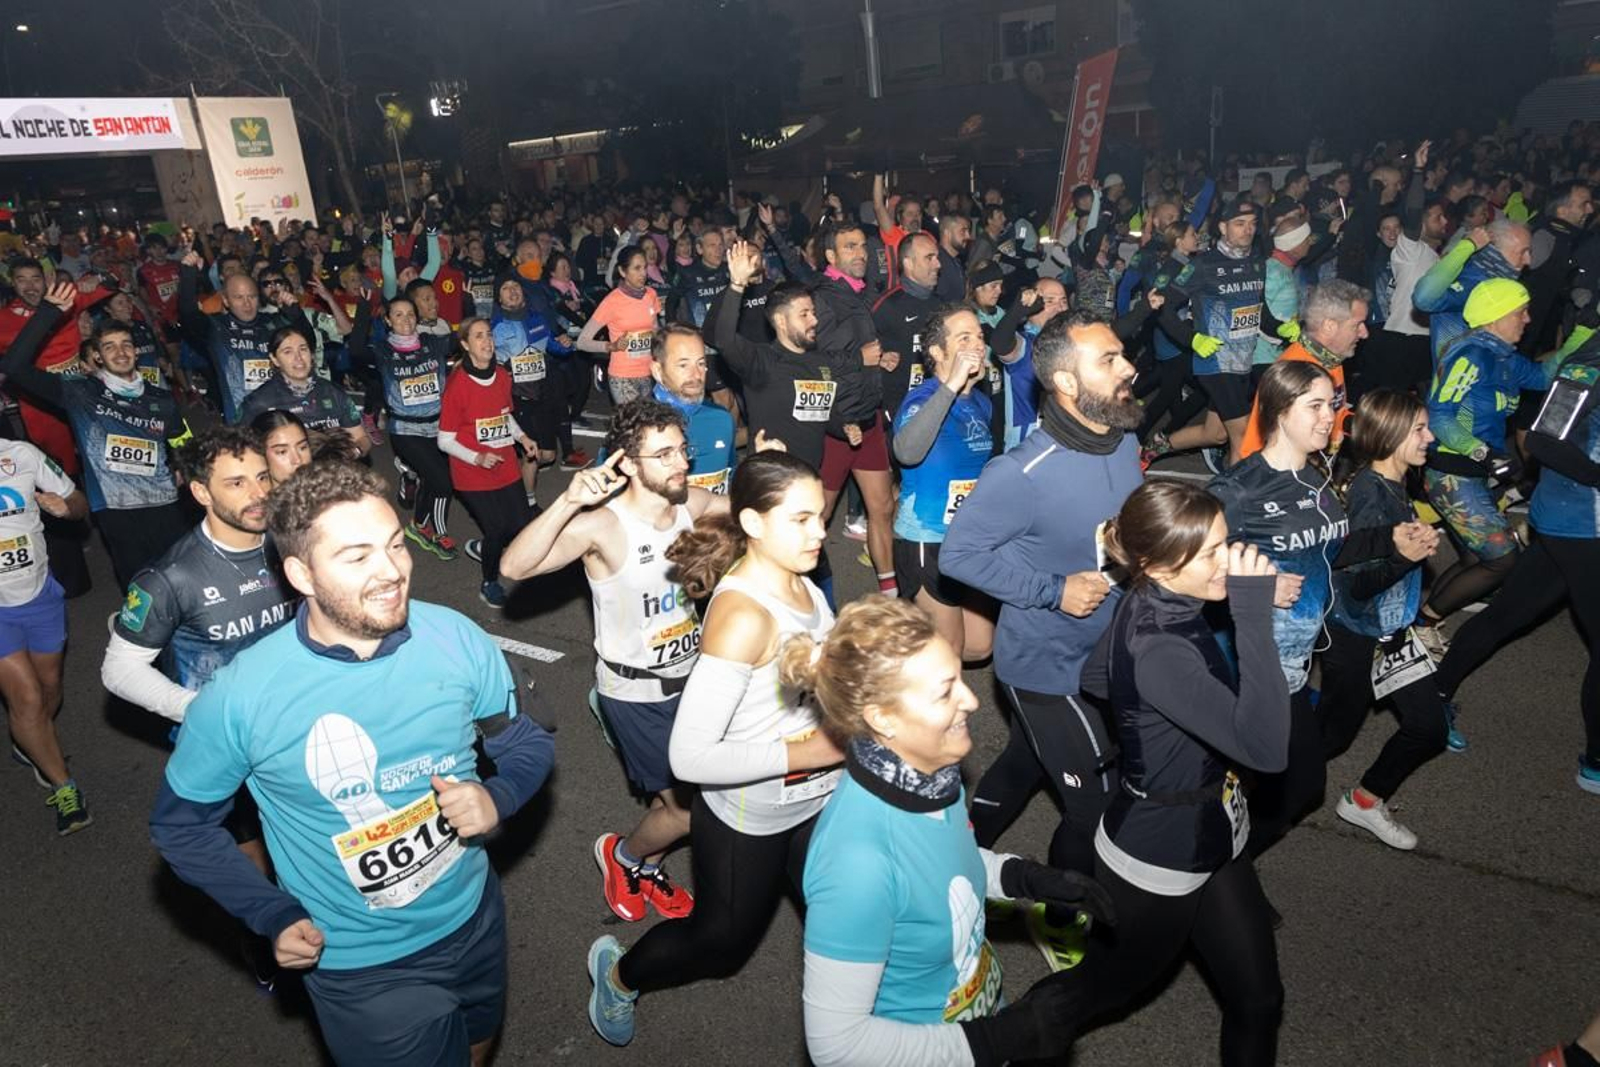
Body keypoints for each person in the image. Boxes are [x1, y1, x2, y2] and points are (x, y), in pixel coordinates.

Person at [150, 461, 555, 1067]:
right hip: (362, 966)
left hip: (474, 918)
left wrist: (501, 797)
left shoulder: (455, 637)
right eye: (357, 556)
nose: (392, 571)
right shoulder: (242, 697)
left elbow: (526, 740)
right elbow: (180, 827)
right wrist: (270, 912)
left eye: (394, 545)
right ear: (300, 574)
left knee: (475, 1041)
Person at [585, 451, 842, 1047]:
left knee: (839, 909)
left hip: (819, 799)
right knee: (721, 940)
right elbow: (691, 759)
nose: (820, 532)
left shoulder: (800, 582)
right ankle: (618, 976)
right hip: (752, 811)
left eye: (821, 517)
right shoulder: (744, 616)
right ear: (753, 523)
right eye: (801, 519)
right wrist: (809, 753)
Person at [794, 596, 1116, 1067]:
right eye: (945, 692)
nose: (972, 700)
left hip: (970, 1015)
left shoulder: (928, 775)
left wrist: (1023, 879)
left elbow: (943, 867)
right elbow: (837, 1045)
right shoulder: (854, 864)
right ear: (882, 718)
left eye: (959, 680)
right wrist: (999, 1040)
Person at [941, 309, 1143, 970]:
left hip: (1104, 652)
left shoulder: (1120, 441)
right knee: (1094, 803)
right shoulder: (1021, 472)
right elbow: (958, 556)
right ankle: (1061, 917)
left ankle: (952, 854)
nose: (1128, 369)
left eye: (1122, 355)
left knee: (1025, 763)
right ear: (1062, 381)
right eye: (1108, 361)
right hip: (1044, 667)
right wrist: (1052, 589)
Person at [1065, 479, 1289, 1067]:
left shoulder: (1148, 597)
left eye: (1225, 543)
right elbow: (1266, 750)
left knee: (1260, 1001)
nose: (1229, 561)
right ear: (1158, 565)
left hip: (1212, 829)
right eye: (1212, 553)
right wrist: (1252, 615)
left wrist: (1150, 729)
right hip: (1156, 854)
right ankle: (998, 1042)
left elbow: (1095, 678)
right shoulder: (1162, 645)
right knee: (1099, 992)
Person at [501, 400, 731, 928]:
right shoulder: (603, 527)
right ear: (627, 463)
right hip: (638, 696)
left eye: (682, 450)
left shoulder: (693, 504)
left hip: (695, 681)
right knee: (689, 810)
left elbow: (744, 507)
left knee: (683, 800)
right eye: (663, 454)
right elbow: (514, 566)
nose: (681, 464)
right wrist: (565, 503)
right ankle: (624, 856)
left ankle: (646, 867)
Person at [1433, 328, 1600, 794]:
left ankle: (1433, 696)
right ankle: (1596, 762)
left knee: (1508, 615)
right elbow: (1545, 443)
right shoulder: (1591, 363)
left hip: (1571, 522)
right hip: (1580, 524)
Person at [1209, 360, 1343, 858]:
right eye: (1314, 406)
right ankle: (1222, 871)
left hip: (1300, 663)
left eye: (1332, 404)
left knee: (1283, 785)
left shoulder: (1318, 475)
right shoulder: (1238, 489)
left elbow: (1327, 554)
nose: (1328, 417)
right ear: (1279, 412)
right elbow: (1181, 569)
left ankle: (1225, 873)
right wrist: (1256, 588)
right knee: (1300, 785)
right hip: (1252, 667)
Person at [1310, 389, 1450, 849]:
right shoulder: (1371, 494)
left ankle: (1365, 801)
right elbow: (1356, 587)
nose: (1431, 437)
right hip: (1355, 636)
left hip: (1387, 631)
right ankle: (1251, 788)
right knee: (1330, 739)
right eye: (1420, 430)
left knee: (1428, 727)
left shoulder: (1396, 480)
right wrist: (1404, 558)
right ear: (1390, 436)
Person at [0, 277, 192, 588]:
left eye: (126, 344)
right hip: (117, 510)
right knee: (143, 588)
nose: (120, 352)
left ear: (135, 351)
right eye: (109, 347)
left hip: (166, 505)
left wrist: (184, 467)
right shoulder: (80, 393)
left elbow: (184, 442)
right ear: (98, 356)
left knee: (184, 582)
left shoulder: (159, 397)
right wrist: (48, 314)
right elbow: (15, 365)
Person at [1420, 279, 1558, 633]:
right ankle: (1424, 624)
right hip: (1451, 471)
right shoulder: (1472, 355)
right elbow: (1439, 415)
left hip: (1473, 471)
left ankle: (1421, 622)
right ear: (1497, 316)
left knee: (1473, 558)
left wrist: (1586, 338)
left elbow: (1544, 377)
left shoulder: (1503, 355)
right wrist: (1484, 453)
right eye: (1520, 312)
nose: (1528, 319)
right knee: (1502, 557)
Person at [891, 306, 996, 663]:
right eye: (964, 338)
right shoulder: (922, 398)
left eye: (979, 337)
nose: (977, 345)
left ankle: (910, 657)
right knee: (947, 653)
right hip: (927, 540)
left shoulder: (981, 403)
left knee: (980, 646)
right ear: (937, 352)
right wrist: (951, 384)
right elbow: (906, 451)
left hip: (968, 538)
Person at [0, 435, 90, 834]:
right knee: (27, 698)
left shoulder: (21, 454)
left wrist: (65, 508)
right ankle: (64, 786)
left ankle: (30, 738)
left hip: (39, 597)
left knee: (49, 690)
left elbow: (79, 503)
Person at [1158, 198, 1288, 466]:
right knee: (1243, 439)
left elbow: (1260, 312)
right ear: (1222, 227)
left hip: (1242, 363)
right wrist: (1192, 339)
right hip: (1215, 363)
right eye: (1239, 224)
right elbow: (1164, 308)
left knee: (1215, 434)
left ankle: (1151, 448)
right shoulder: (1201, 265)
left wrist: (1280, 327)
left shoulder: (1257, 263)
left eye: (1252, 224)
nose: (1247, 230)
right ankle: (1237, 503)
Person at [809, 221, 897, 596]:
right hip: (837, 425)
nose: (861, 253)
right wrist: (856, 358)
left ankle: (890, 594)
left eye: (862, 246)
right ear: (831, 256)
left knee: (881, 510)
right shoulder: (821, 298)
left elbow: (861, 349)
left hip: (870, 417)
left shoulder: (863, 293)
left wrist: (880, 359)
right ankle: (801, 591)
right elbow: (809, 359)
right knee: (818, 518)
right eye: (850, 247)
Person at [347, 293, 459, 560]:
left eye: (410, 314)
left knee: (433, 478)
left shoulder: (433, 343)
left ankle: (418, 523)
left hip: (439, 427)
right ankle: (436, 531)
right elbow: (355, 350)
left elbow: (464, 337)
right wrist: (364, 309)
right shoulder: (383, 350)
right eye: (398, 314)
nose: (405, 320)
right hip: (406, 430)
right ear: (387, 320)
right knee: (444, 482)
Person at [439, 318, 540, 608]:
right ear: (465, 345)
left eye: (489, 336)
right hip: (471, 470)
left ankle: (486, 549)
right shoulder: (457, 385)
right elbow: (443, 440)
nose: (487, 342)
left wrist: (522, 438)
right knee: (496, 527)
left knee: (520, 524)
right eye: (479, 336)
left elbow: (504, 415)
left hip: (506, 463)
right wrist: (477, 457)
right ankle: (489, 582)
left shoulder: (502, 375)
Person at [1238, 279, 1371, 459]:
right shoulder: (1295, 375)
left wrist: (1371, 426)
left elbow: (1337, 413)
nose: (1365, 333)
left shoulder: (1330, 359)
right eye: (1357, 325)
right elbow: (1264, 442)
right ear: (1330, 326)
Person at [177, 249, 286, 423]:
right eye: (239, 298)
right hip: (241, 421)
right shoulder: (217, 327)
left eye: (252, 296)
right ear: (226, 301)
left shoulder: (274, 323)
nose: (247, 303)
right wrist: (188, 274)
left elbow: (308, 343)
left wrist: (294, 312)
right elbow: (188, 313)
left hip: (281, 415)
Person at [237, 323, 369, 455]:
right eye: (288, 352)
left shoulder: (333, 392)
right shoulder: (258, 402)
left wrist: (354, 451)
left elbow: (361, 438)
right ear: (275, 359)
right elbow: (239, 449)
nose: (298, 358)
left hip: (332, 470)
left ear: (311, 354)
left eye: (303, 349)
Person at [649, 324, 738, 494]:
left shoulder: (722, 419)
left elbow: (731, 477)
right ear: (657, 370)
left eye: (701, 364)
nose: (696, 375)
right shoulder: (634, 425)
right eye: (683, 365)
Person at [577, 246, 662, 406]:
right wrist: (611, 346)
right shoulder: (612, 301)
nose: (643, 273)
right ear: (623, 272)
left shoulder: (651, 294)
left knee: (646, 427)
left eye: (644, 267)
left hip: (649, 373)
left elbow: (655, 329)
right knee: (632, 427)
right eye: (636, 268)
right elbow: (582, 341)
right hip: (623, 376)